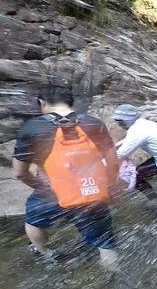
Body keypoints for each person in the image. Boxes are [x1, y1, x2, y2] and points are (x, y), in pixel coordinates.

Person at [12, 84, 119, 266]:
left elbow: (20, 173)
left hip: (50, 193)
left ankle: (45, 254)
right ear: (71, 102)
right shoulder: (94, 123)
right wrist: (108, 187)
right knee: (105, 243)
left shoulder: (31, 127)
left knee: (34, 222)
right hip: (90, 191)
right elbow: (113, 163)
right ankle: (116, 274)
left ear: (42, 103)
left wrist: (42, 188)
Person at [112, 104, 157, 208]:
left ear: (127, 119)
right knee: (137, 175)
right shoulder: (144, 123)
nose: (119, 125)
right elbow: (130, 140)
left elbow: (122, 154)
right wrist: (116, 145)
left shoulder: (137, 130)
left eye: (120, 121)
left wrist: (106, 157)